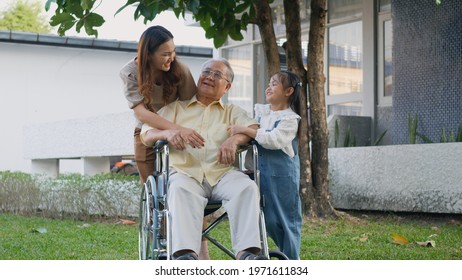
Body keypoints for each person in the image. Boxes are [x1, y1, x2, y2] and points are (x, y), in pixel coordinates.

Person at [140, 58, 267, 260]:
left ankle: (248, 254)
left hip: (223, 174)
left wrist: (234, 139)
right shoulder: (175, 109)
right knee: (180, 189)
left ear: (227, 86)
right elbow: (146, 134)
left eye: (217, 74)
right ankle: (185, 256)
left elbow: (254, 129)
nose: (209, 77)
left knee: (247, 187)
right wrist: (168, 133)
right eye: (206, 72)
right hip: (185, 174)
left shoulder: (232, 112)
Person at [119, 25, 209, 259]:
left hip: (181, 135)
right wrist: (174, 130)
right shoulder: (130, 72)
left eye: (174, 51)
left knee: (192, 188)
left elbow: (193, 107)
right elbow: (143, 114)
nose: (172, 57)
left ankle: (200, 253)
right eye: (165, 53)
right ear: (148, 53)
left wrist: (182, 133)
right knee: (155, 198)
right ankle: (163, 251)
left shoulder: (180, 70)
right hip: (147, 134)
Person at [228, 70, 303, 260]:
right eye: (269, 83)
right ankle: (258, 255)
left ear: (288, 91)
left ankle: (291, 260)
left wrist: (246, 130)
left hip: (281, 180)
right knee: (261, 218)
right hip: (258, 175)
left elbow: (272, 140)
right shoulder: (261, 114)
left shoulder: (290, 119)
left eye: (274, 84)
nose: (269, 87)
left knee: (285, 221)